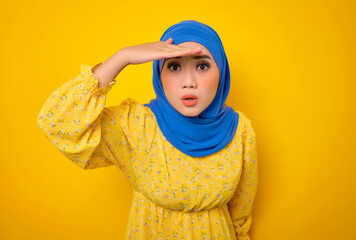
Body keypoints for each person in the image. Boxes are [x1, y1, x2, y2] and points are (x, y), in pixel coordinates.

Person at [37, 20, 258, 240]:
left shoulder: (240, 131)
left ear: (221, 73)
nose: (189, 82)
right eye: (174, 66)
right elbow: (57, 123)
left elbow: (239, 218)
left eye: (202, 66)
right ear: (159, 74)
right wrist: (121, 58)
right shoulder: (136, 125)